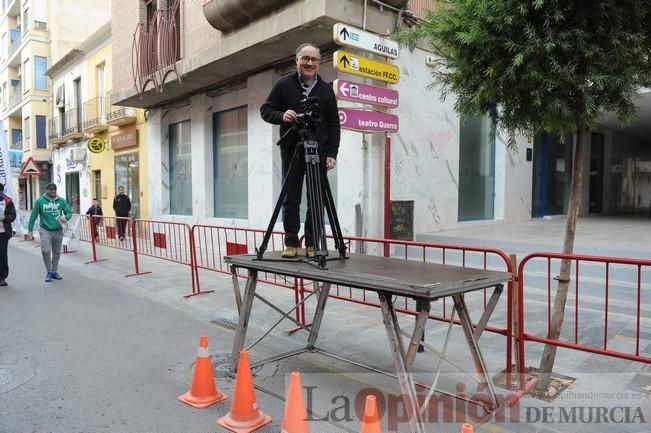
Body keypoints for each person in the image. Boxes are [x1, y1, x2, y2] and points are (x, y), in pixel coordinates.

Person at [260, 42, 341, 258]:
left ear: (319, 63)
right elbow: (265, 110)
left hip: (319, 152)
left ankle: (313, 243)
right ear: (296, 60)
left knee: (317, 198)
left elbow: (334, 124)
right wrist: (281, 116)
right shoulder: (283, 85)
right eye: (305, 58)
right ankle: (291, 242)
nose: (309, 63)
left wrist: (332, 153)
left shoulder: (326, 90)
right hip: (292, 150)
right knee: (291, 197)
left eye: (314, 59)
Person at [26, 183, 73, 282]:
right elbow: (33, 215)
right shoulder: (40, 201)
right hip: (45, 229)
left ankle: (54, 272)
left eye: (54, 189)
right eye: (51, 189)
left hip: (58, 230)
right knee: (46, 251)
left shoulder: (61, 201)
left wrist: (66, 217)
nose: (53, 191)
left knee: (56, 253)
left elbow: (68, 212)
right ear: (47, 190)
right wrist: (30, 230)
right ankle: (49, 271)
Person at [0, 184, 16, 286]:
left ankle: (2, 277)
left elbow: (12, 215)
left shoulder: (7, 201)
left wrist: (4, 218)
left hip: (3, 233)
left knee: (2, 255)